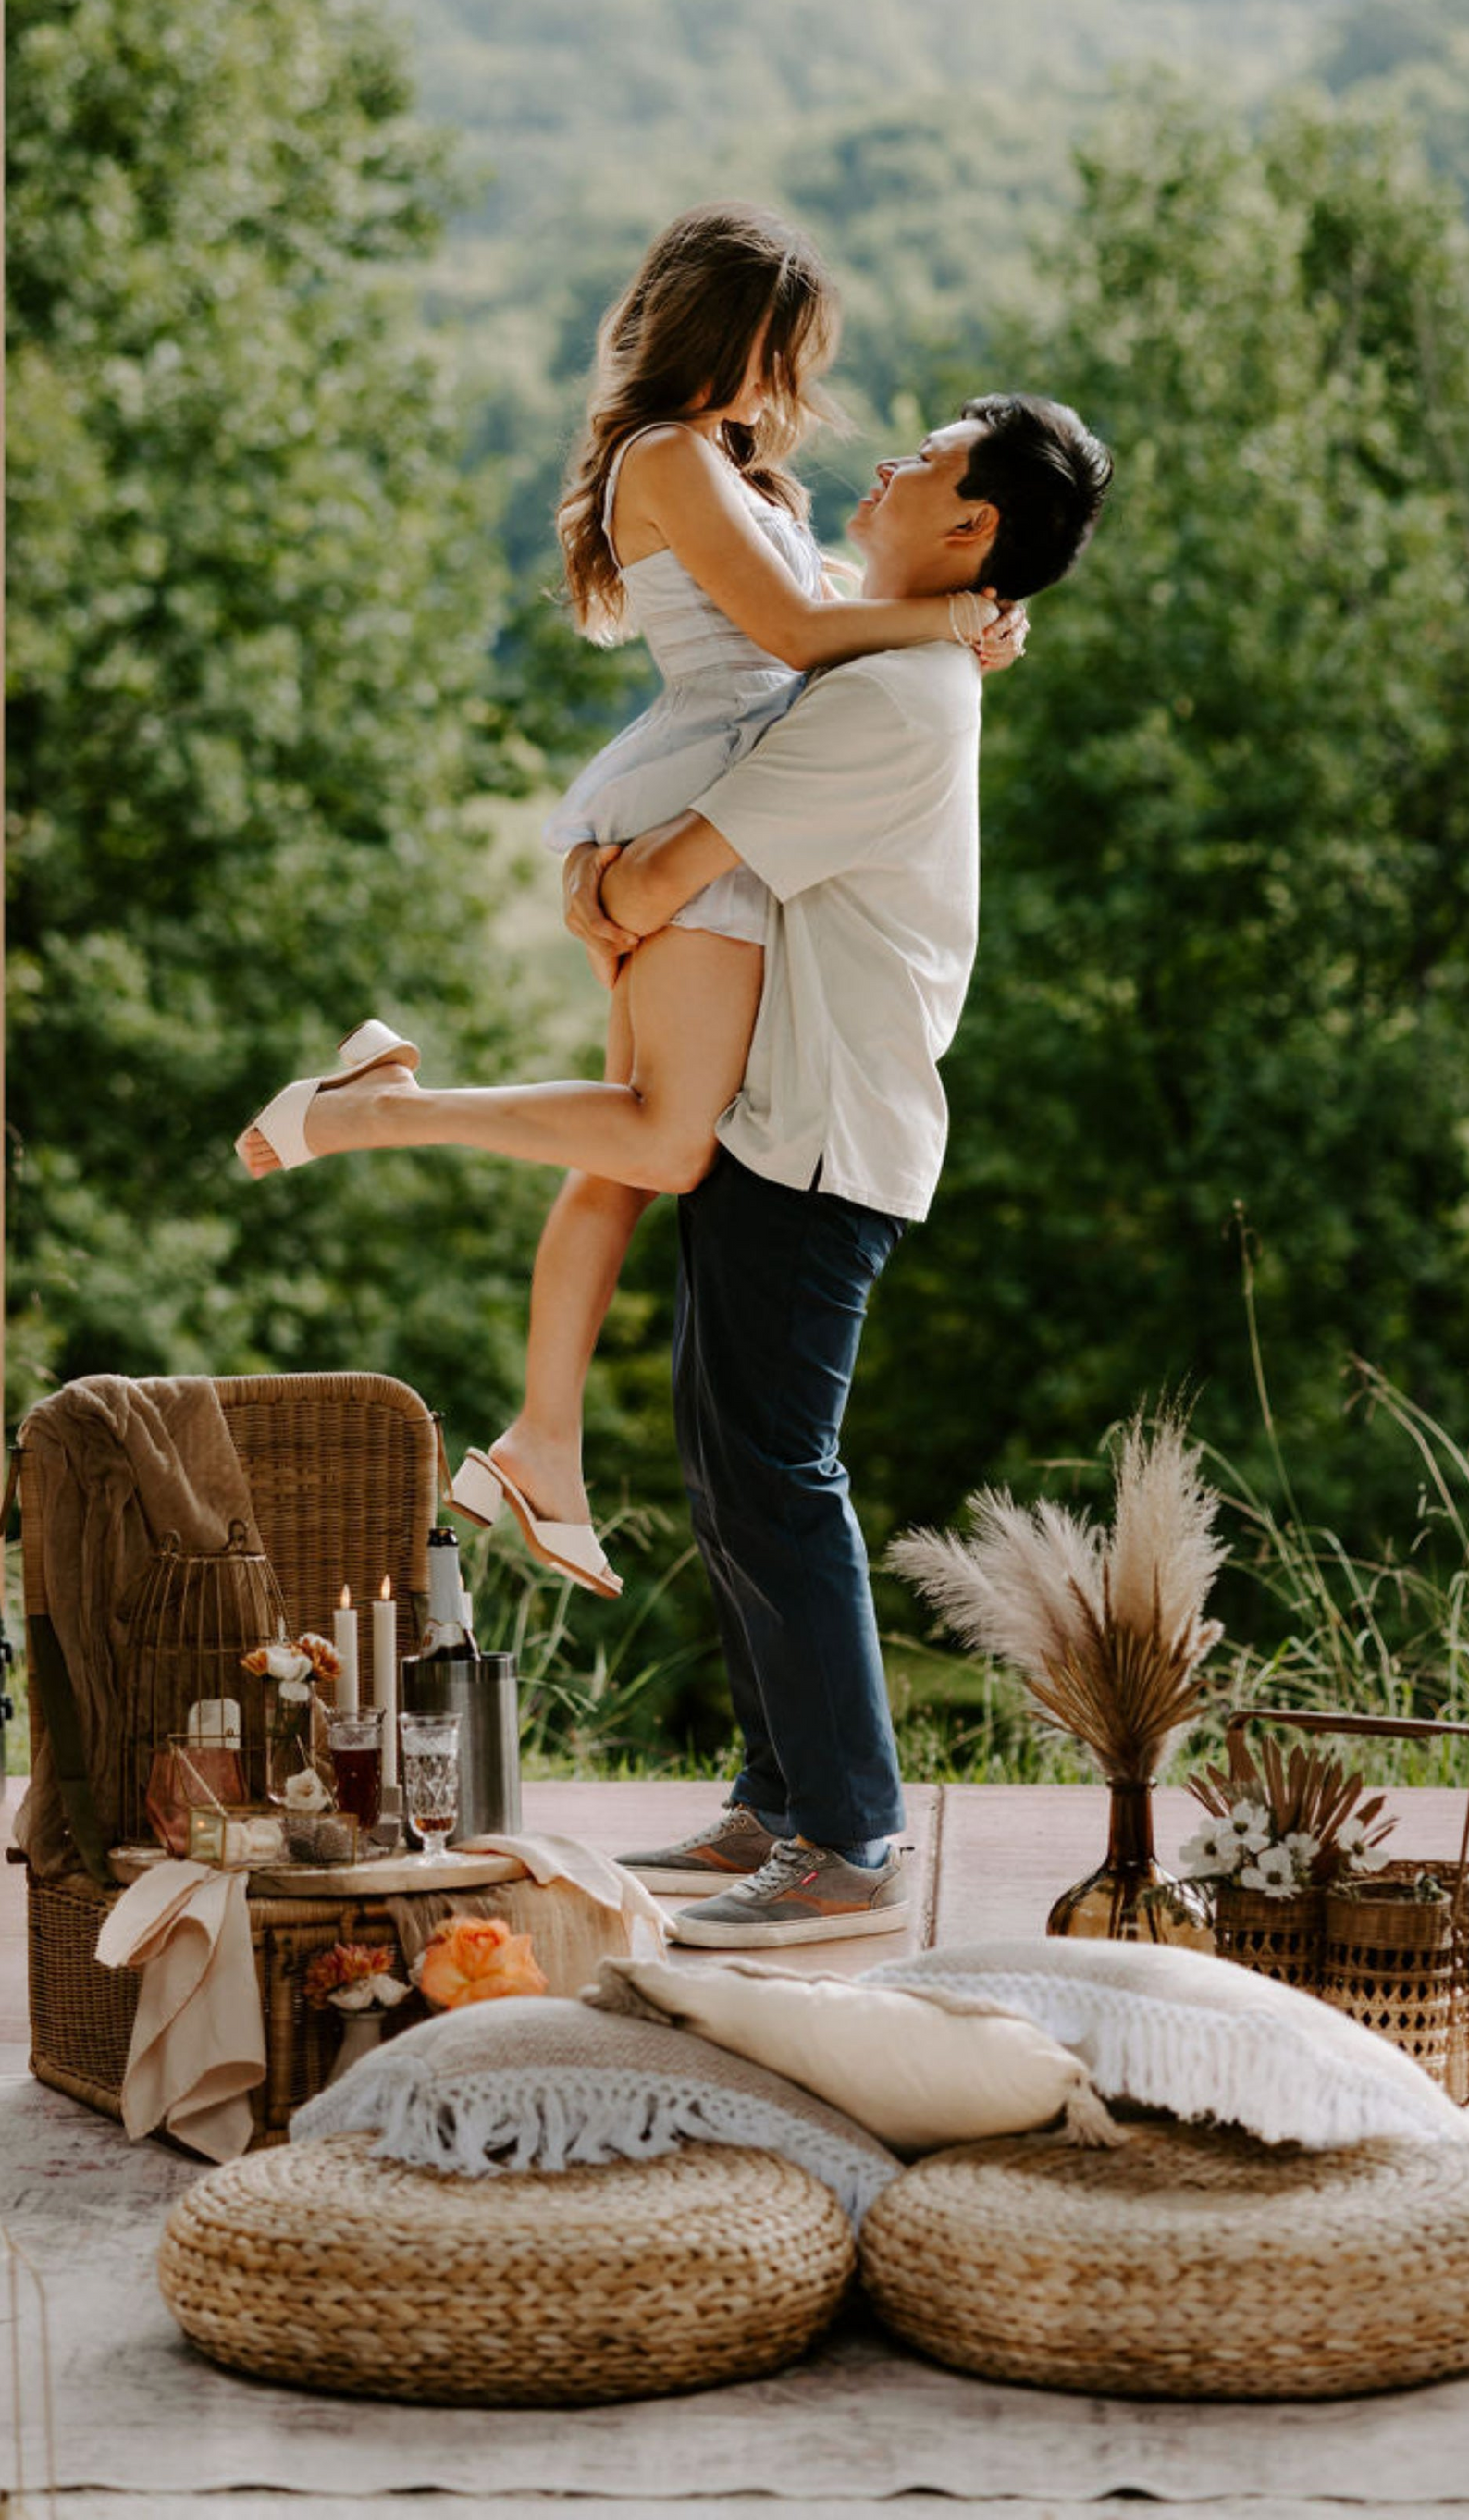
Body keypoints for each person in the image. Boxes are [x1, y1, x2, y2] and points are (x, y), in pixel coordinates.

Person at [237, 203, 1020, 1598]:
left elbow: (833, 614)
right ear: (724, 333)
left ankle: (543, 1444)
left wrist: (962, 619)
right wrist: (948, 616)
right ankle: (371, 1113)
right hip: (690, 806)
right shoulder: (665, 457)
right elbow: (791, 640)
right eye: (784, 349)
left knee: (623, 1152)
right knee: (666, 1144)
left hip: (726, 804)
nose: (793, 385)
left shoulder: (739, 475)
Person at [588, 389, 1115, 1946]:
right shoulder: (900, 661)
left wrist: (593, 878)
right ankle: (781, 1796)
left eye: (926, 462)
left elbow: (678, 868)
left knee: (775, 1473)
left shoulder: (896, 701)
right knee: (723, 1458)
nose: (883, 468)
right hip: (779, 1117)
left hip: (821, 1137)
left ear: (973, 530)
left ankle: (853, 1842)